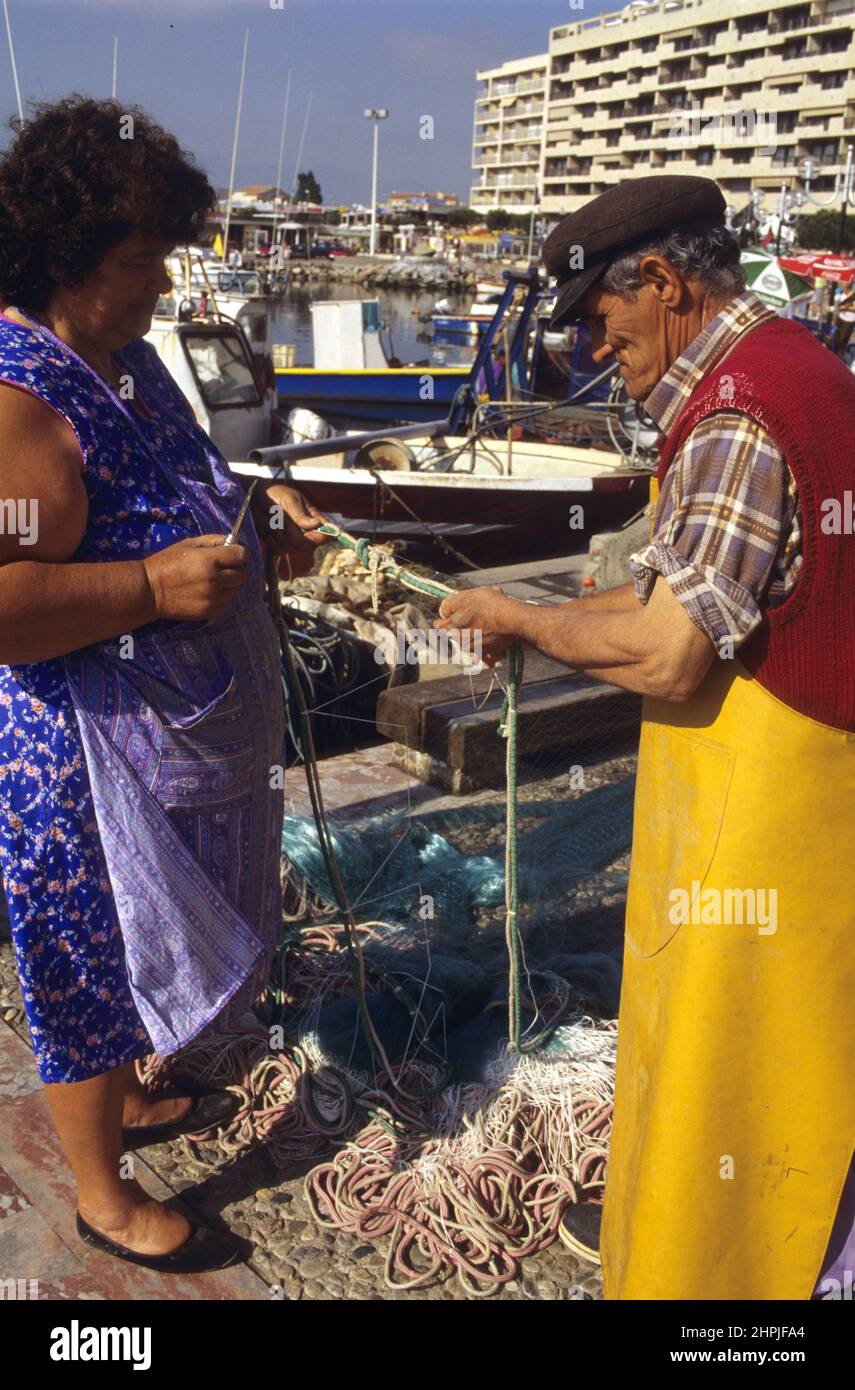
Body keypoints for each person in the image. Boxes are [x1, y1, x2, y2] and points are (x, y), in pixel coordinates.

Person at [434, 174, 854, 1300]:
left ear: (662, 282)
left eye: (598, 318)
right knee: (790, 1077)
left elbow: (672, 650)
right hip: (786, 816)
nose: (590, 346)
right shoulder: (794, 364)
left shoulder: (734, 411)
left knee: (751, 1089)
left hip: (772, 835)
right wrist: (534, 630)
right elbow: (698, 596)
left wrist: (524, 619)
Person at [0, 95, 328, 1273]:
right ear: (63, 260)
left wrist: (258, 508)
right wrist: (146, 588)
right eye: (140, 263)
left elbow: (180, 478)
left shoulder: (125, 356)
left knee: (145, 931)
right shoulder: (19, 403)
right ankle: (102, 1192)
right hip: (76, 753)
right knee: (85, 951)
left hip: (162, 734)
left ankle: (133, 1094)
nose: (160, 288)